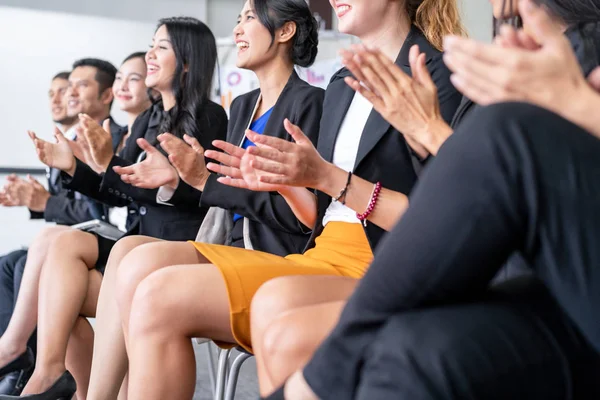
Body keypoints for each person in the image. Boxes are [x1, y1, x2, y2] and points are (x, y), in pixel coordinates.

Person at [247, 1, 600, 393]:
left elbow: (463, 196)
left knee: (506, 131)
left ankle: (322, 372)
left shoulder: (443, 72)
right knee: (406, 352)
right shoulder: (340, 84)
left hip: (400, 257)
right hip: (530, 276)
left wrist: (427, 133)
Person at [116, 0, 463, 398]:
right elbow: (316, 207)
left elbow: (443, 215)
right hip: (321, 250)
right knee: (146, 280)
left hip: (381, 258)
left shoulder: (439, 74)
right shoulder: (341, 82)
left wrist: (322, 179)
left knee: (160, 296)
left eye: (250, 18)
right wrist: (278, 180)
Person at [3, 18, 227, 400]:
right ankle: (51, 371)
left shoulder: (209, 117)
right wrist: (74, 167)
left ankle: (33, 363)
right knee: (57, 254)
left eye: (161, 48)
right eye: (151, 45)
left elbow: (212, 195)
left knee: (62, 271)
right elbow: (121, 190)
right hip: (136, 243)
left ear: (187, 63)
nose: (150, 55)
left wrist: (171, 183)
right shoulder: (147, 117)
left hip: (175, 250)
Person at [0, 64, 124, 396]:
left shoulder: (114, 137)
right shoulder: (67, 140)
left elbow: (103, 207)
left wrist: (45, 203)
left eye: (75, 87)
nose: (67, 95)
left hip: (103, 241)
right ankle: (18, 364)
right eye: (61, 89)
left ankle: (23, 365)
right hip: (78, 240)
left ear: (108, 94)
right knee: (9, 264)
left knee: (35, 268)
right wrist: (33, 200)